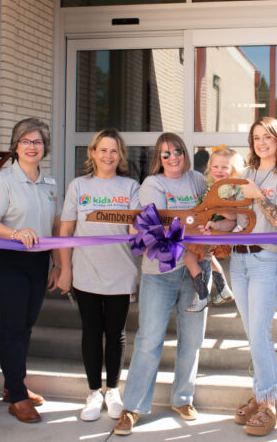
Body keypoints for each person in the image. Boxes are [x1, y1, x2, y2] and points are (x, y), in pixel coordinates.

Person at [114, 132, 211, 436]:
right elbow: (161, 226)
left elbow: (208, 215)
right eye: (166, 154)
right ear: (159, 157)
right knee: (149, 340)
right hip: (161, 272)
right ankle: (132, 407)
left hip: (197, 270)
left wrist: (204, 232)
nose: (173, 158)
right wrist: (194, 232)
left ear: (186, 153)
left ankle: (183, 398)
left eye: (178, 151)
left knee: (192, 339)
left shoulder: (197, 180)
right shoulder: (152, 184)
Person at [0, 118, 61, 424]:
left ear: (45, 148)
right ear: (16, 146)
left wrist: (56, 264)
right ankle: (17, 396)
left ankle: (12, 384)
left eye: (37, 142)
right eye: (25, 141)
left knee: (25, 326)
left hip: (38, 262)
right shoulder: (3, 180)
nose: (32, 147)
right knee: (13, 327)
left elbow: (54, 228)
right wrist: (15, 233)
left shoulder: (51, 184)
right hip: (7, 261)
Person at [56, 129, 140, 421]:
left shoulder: (131, 187)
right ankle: (93, 392)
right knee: (91, 332)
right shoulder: (78, 186)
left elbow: (136, 229)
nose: (108, 156)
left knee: (116, 334)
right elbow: (65, 231)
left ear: (121, 156)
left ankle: (113, 390)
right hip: (86, 273)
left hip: (120, 273)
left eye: (114, 151)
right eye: (102, 150)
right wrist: (64, 269)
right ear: (92, 153)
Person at [230, 117, 277, 437]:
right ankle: (260, 395)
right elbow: (231, 216)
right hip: (237, 262)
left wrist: (258, 194)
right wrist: (212, 226)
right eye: (256, 137)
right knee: (252, 332)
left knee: (259, 332)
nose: (261, 142)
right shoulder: (243, 174)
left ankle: (269, 402)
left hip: (266, 260)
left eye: (267, 137)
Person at [183, 146, 244, 312]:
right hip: (209, 230)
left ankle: (202, 295)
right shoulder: (214, 186)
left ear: (234, 170)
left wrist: (214, 216)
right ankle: (223, 289)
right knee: (208, 258)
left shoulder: (226, 189)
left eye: (224, 167)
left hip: (213, 231)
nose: (219, 170)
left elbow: (232, 216)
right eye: (215, 167)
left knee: (189, 258)